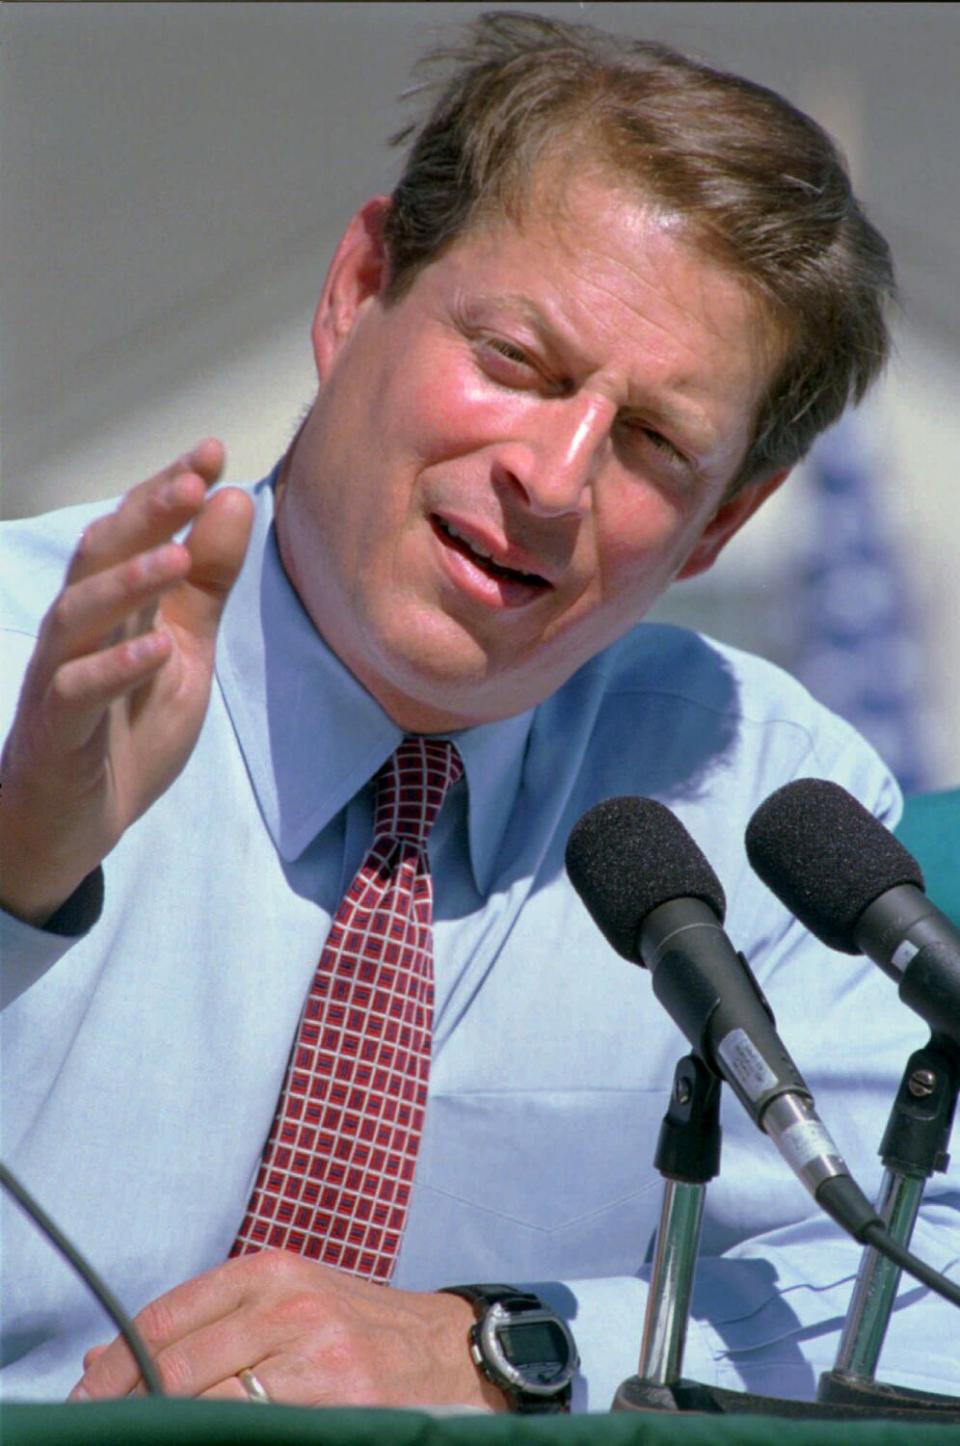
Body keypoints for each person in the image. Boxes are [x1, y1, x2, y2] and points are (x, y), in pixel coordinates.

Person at [2, 10, 957, 1414]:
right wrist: (14, 875)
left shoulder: (759, 800)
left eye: (651, 443)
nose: (555, 476)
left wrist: (503, 1344)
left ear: (719, 526)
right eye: (519, 361)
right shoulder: (27, 657)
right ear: (356, 288)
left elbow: (931, 1289)